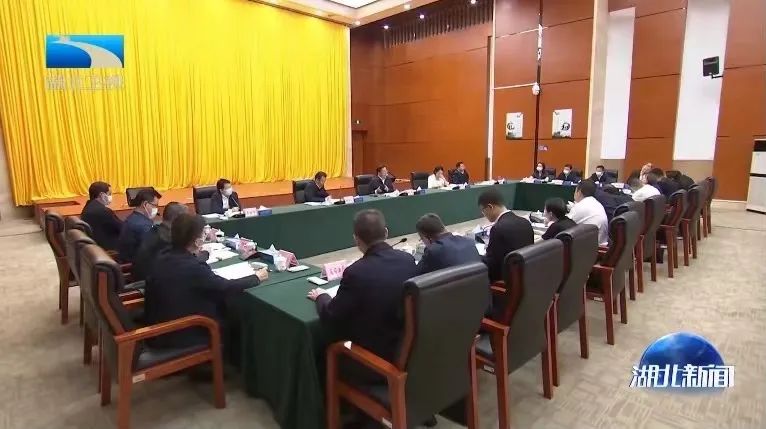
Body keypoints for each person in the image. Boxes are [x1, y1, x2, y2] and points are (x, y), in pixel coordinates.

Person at [307, 209, 417, 368]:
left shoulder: (356, 272)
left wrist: (321, 297)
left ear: (356, 239)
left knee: (326, 349)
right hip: (410, 352)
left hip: (374, 362)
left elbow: (331, 317)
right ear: (386, 232)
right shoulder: (408, 259)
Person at [144, 213, 268, 349]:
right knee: (235, 315)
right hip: (181, 332)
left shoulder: (163, 255)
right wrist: (256, 277)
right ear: (197, 242)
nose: (205, 237)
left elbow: (187, 261)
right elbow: (225, 286)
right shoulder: (195, 268)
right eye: (204, 234)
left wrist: (204, 254)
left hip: (159, 325)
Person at [478, 188, 534, 282]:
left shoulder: (498, 228)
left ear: (490, 207)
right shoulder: (525, 222)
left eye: (483, 211)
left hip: (506, 282)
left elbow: (492, 266)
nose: (483, 214)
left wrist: (477, 257)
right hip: (525, 277)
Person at [132, 202, 188, 282]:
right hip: (150, 283)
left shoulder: (155, 230)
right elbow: (183, 265)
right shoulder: (168, 239)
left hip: (148, 278)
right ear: (178, 219)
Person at [414, 213, 481, 275]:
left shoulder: (432, 251)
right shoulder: (469, 241)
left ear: (427, 238)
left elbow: (416, 275)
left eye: (422, 239)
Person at [117, 188, 161, 263]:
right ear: (145, 204)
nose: (157, 209)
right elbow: (152, 251)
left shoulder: (133, 218)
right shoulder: (143, 225)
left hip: (131, 258)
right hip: (136, 264)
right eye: (155, 205)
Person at [81, 181, 123, 250]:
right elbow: (121, 228)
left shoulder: (88, 206)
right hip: (107, 248)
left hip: (94, 244)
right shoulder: (103, 211)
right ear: (102, 195)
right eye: (109, 194)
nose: (110, 196)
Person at [568, 180, 609, 245]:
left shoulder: (580, 206)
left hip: (593, 247)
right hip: (601, 242)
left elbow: (566, 224)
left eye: (575, 191)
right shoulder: (595, 203)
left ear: (579, 192)